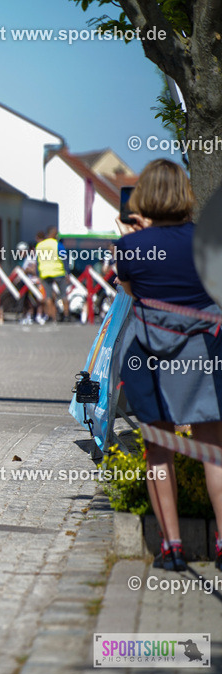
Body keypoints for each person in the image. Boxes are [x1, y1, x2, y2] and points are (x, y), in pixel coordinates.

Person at [115, 158, 222, 571]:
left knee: (158, 452)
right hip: (204, 355)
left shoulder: (129, 249)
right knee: (213, 452)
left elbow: (130, 290)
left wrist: (137, 239)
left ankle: (172, 548)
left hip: (149, 358)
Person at [36, 226, 68, 323]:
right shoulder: (57, 244)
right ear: (53, 234)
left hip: (45, 273)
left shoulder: (39, 245)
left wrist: (38, 274)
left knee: (48, 297)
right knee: (64, 295)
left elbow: (37, 261)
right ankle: (66, 316)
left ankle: (52, 317)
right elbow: (64, 257)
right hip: (58, 272)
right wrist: (68, 272)